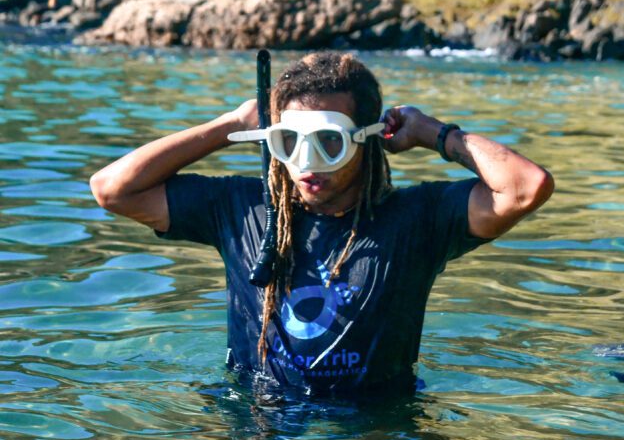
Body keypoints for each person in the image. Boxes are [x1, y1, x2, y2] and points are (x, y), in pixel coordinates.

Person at [90, 51, 554, 395]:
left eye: (330, 142)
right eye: (289, 141)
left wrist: (433, 132)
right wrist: (227, 125)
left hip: (376, 426)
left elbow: (525, 186)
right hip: (256, 413)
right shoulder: (242, 207)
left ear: (366, 139)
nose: (307, 162)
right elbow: (112, 189)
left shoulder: (418, 219)